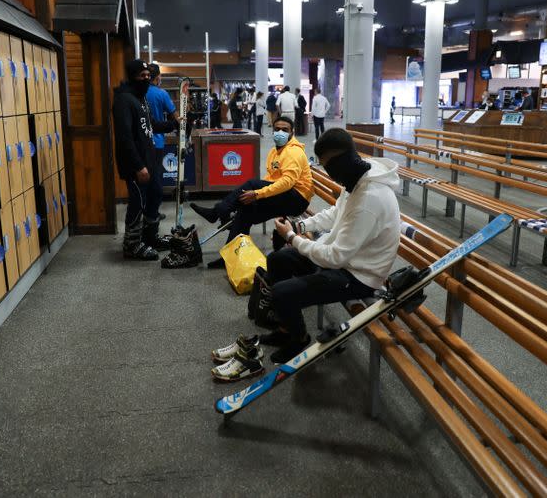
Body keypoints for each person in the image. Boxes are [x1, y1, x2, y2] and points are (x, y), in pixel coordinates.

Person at [213, 128, 402, 376]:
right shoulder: (356, 180)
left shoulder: (370, 200)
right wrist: (300, 226)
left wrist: (292, 237)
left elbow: (336, 256)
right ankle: (285, 329)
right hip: (344, 259)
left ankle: (298, 338)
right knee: (277, 259)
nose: (331, 175)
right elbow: (335, 214)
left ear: (342, 161)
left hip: (360, 276)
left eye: (330, 168)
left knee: (282, 293)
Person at [190, 116, 313, 268]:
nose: (280, 132)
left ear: (292, 132)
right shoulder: (275, 152)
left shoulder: (293, 152)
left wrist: (258, 194)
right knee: (246, 209)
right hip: (283, 195)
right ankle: (230, 257)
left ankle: (218, 212)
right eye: (277, 129)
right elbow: (271, 179)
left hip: (297, 198)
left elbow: (287, 183)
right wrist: (257, 196)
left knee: (252, 184)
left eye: (285, 130)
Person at [113, 59, 178, 260]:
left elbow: (152, 126)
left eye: (148, 76)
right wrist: (139, 166)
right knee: (138, 202)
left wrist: (174, 124)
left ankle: (150, 237)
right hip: (135, 165)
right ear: (132, 76)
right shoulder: (124, 100)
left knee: (156, 194)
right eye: (142, 76)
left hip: (149, 160)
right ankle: (131, 244)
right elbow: (125, 138)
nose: (146, 79)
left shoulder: (141, 99)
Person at [146, 63, 178, 224]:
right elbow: (175, 117)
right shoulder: (162, 94)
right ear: (158, 77)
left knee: (145, 180)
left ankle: (147, 213)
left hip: (141, 143)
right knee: (156, 180)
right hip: (157, 143)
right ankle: (152, 215)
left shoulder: (139, 92)